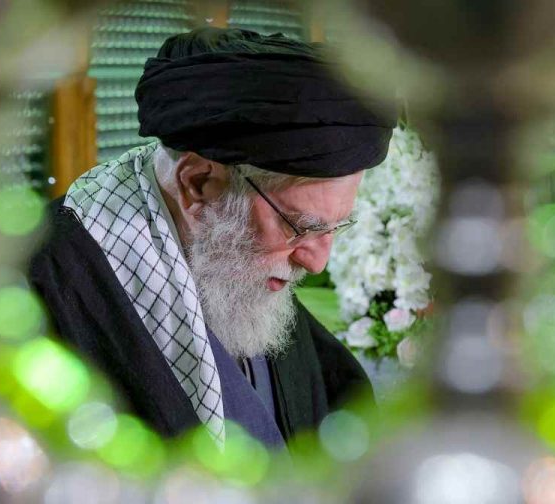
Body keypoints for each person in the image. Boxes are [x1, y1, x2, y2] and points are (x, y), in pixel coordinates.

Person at [29, 28, 395, 448]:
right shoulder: (42, 285)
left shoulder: (237, 264)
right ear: (199, 183)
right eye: (302, 227)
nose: (317, 262)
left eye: (332, 227)